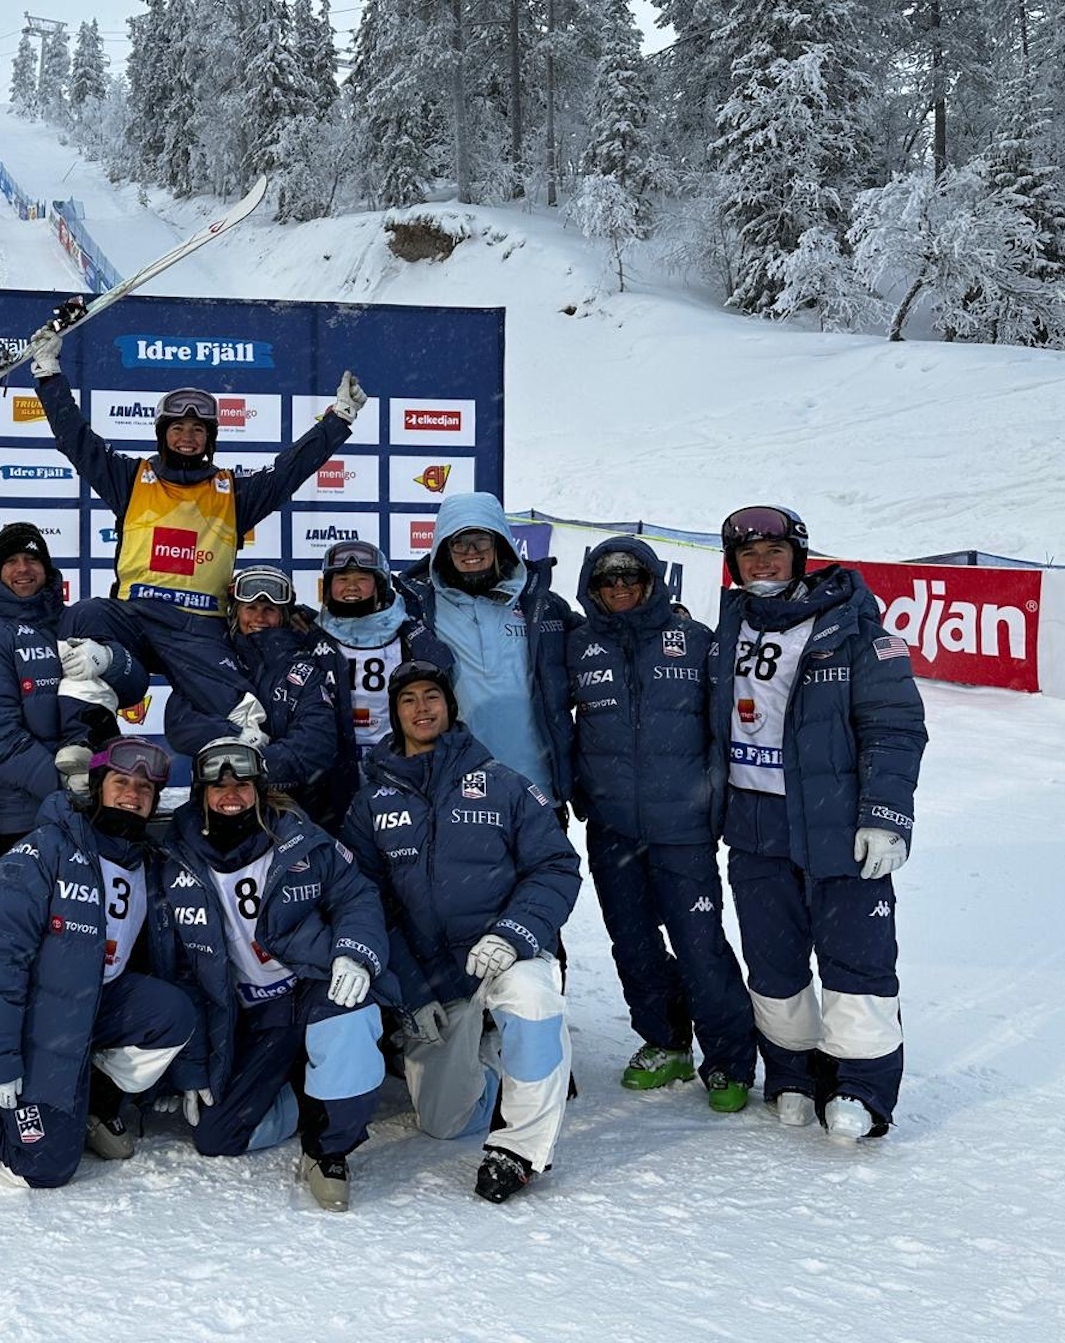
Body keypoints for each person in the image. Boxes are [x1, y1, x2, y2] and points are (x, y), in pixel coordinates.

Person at [26, 317, 366, 764]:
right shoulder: (133, 480)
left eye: (198, 430)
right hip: (136, 616)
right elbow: (77, 441)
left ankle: (246, 772)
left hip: (199, 628)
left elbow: (289, 471)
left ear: (210, 439)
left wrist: (338, 420)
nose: (187, 437)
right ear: (163, 434)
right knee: (84, 618)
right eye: (178, 428)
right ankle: (85, 740)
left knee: (244, 711)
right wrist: (49, 374)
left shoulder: (232, 493)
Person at [710, 505, 927, 1140]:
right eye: (749, 555)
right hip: (754, 827)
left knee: (856, 962)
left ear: (800, 555)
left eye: (775, 550)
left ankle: (860, 1087)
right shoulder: (729, 625)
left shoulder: (854, 627)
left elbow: (894, 725)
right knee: (773, 965)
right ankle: (792, 1072)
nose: (763, 562)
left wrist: (886, 817)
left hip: (837, 825)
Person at [0, 738, 198, 1185]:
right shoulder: (45, 851)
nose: (132, 795)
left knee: (172, 1013)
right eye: (120, 782)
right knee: (43, 1167)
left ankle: (90, 1106)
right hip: (39, 1021)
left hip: (97, 1006)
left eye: (145, 788)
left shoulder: (145, 864)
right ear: (97, 788)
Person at [339, 660, 580, 1203]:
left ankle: (518, 1149)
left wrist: (513, 934)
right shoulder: (371, 801)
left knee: (536, 1004)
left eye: (432, 697)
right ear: (394, 714)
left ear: (450, 707)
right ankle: (492, 1070)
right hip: (432, 972)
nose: (422, 708)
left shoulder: (503, 782)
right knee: (444, 1122)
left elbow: (557, 867)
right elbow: (363, 899)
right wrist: (411, 988)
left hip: (503, 951)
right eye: (408, 701)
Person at [162, 737, 393, 1212]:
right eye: (219, 784)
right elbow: (180, 970)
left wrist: (355, 953)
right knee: (216, 1136)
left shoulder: (300, 839)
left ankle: (328, 1148)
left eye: (243, 783)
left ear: (261, 789)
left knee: (349, 1014)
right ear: (200, 792)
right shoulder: (174, 859)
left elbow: (357, 897)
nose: (232, 793)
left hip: (310, 988)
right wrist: (189, 1063)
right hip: (251, 1015)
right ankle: (296, 1095)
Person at [568, 537, 756, 1109]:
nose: (620, 589)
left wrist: (718, 804)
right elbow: (554, 721)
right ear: (592, 589)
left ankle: (728, 1059)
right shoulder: (577, 646)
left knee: (700, 945)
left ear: (652, 583)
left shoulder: (695, 642)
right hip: (611, 826)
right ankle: (666, 1041)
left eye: (632, 579)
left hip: (684, 829)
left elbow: (728, 729)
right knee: (633, 943)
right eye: (608, 581)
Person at [0, 521, 144, 852]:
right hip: (26, 816)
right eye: (11, 561)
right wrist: (62, 783)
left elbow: (134, 687)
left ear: (46, 568)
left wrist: (108, 658)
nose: (23, 569)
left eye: (32, 560)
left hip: (97, 803)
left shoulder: (75, 620)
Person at [399, 493, 576, 818]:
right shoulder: (418, 606)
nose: (471, 552)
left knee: (549, 870)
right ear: (442, 548)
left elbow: (598, 644)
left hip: (537, 789)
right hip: (459, 791)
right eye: (459, 543)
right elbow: (359, 623)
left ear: (501, 544)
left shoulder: (541, 604)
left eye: (481, 542)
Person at [162, 564, 345, 828]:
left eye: (269, 610)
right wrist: (238, 737)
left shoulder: (305, 668)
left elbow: (316, 743)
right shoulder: (211, 661)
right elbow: (181, 724)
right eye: (251, 608)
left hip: (289, 812)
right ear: (236, 612)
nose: (259, 618)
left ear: (283, 616)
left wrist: (253, 768)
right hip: (217, 807)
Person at [314, 539, 455, 767]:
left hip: (397, 762)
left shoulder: (410, 635)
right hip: (332, 767)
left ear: (379, 586)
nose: (352, 586)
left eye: (362, 579)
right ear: (328, 587)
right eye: (342, 579)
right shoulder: (312, 635)